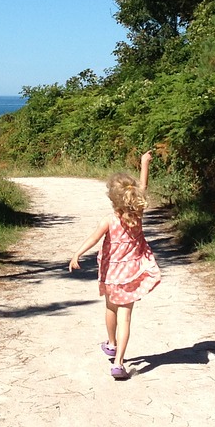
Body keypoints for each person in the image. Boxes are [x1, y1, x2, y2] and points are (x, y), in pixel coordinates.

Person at [68, 150, 161, 380]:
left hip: (111, 275)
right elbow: (143, 187)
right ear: (133, 197)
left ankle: (111, 343)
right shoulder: (137, 215)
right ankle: (118, 363)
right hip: (131, 276)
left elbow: (93, 239)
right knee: (126, 318)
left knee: (110, 309)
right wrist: (144, 163)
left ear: (113, 198)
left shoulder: (109, 221)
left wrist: (77, 254)